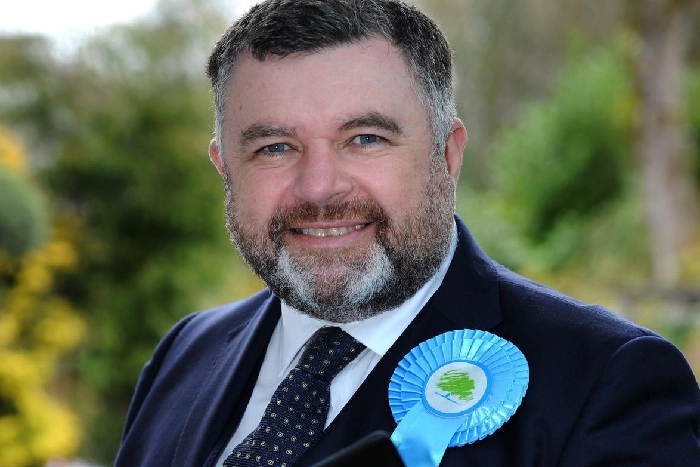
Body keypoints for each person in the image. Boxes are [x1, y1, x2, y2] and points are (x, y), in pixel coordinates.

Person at [114, 0, 700, 466]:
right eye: (274, 147)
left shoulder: (604, 382)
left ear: (448, 155)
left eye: (365, 139)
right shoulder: (183, 356)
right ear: (225, 168)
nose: (319, 188)